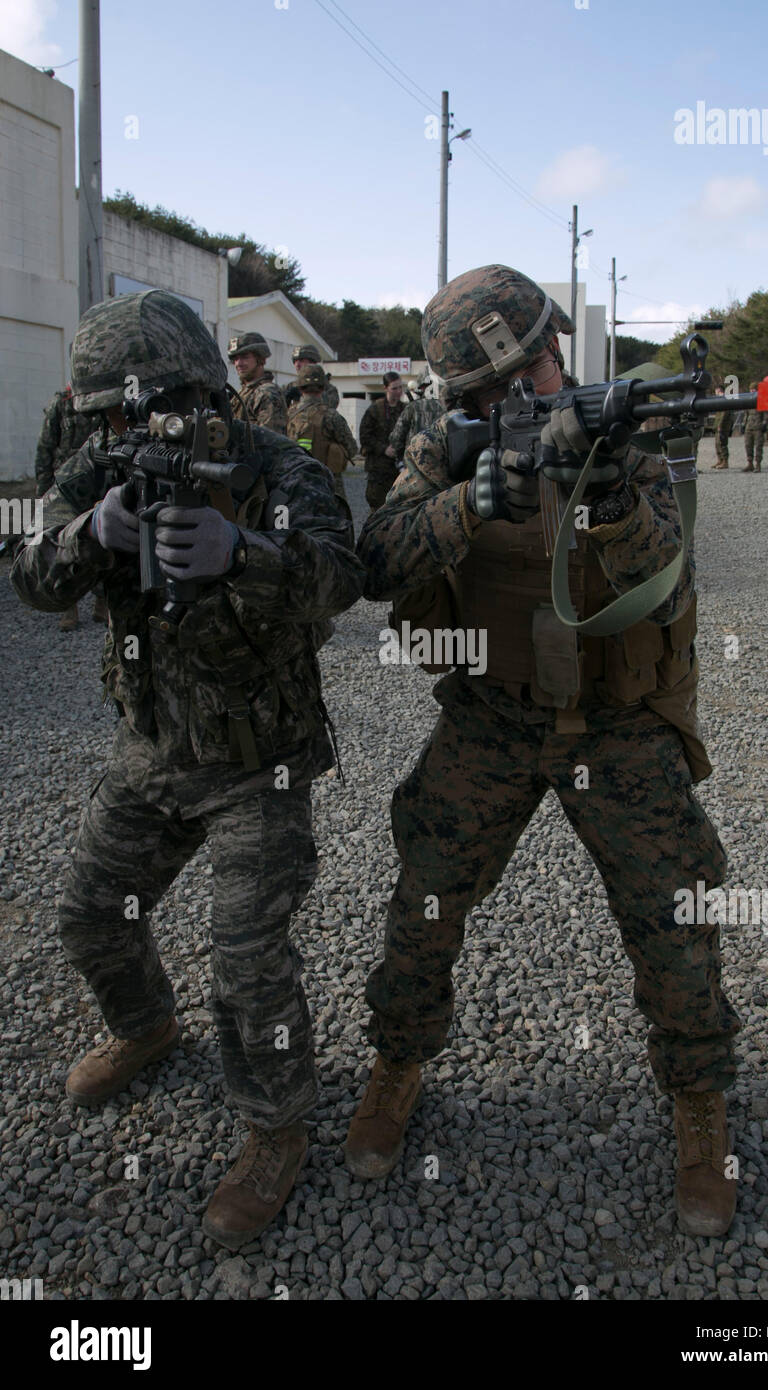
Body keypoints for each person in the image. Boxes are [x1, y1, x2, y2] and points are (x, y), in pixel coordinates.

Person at [346, 264, 739, 1238]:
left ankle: (697, 1095)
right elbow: (372, 561)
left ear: (560, 353)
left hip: (613, 718)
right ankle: (397, 1061)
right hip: (491, 713)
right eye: (493, 390)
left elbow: (668, 576)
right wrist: (467, 501)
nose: (522, 395)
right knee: (424, 895)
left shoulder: (624, 432)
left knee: (674, 906)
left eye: (534, 370)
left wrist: (606, 497)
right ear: (465, 399)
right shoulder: (443, 444)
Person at [11, 290, 364, 1250]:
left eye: (154, 408)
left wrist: (244, 552)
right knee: (89, 914)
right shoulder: (99, 468)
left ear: (206, 390)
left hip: (259, 764)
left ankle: (275, 1127)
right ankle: (147, 1027)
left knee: (248, 967)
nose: (136, 432)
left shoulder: (274, 465)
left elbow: (343, 573)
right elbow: (32, 578)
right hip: (154, 750)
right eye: (117, 415)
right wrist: (91, 536)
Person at [34, 386, 104, 630]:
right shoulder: (62, 404)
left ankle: (102, 604)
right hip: (66, 488)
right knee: (65, 545)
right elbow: (45, 447)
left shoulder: (102, 399)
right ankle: (68, 608)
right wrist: (43, 491)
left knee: (102, 540)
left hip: (96, 483)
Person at [285, 363, 358, 507]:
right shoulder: (331, 416)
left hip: (295, 481)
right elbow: (352, 449)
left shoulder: (289, 415)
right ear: (323, 388)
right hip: (328, 484)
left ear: (299, 388)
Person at [359, 372, 406, 512]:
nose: (399, 391)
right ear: (385, 388)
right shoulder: (375, 409)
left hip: (400, 469)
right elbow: (365, 436)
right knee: (378, 509)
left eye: (400, 387)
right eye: (394, 388)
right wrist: (384, 449)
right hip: (378, 469)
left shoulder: (405, 409)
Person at [228, 331, 288, 433]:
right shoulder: (243, 393)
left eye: (245, 357)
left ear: (261, 359)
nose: (238, 363)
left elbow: (268, 439)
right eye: (236, 359)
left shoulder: (267, 393)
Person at [388, 368, 444, 466]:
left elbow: (396, 438)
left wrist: (400, 456)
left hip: (416, 465)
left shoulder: (413, 407)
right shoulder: (451, 406)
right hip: (443, 466)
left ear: (422, 386)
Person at [287, 344, 340, 411]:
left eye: (301, 360)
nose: (297, 365)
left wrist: (306, 394)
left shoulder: (328, 388)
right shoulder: (290, 387)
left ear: (312, 362)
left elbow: (330, 407)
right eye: (295, 361)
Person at [742, 386, 765, 472]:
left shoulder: (761, 401)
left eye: (753, 390)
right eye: (751, 389)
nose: (752, 391)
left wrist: (765, 424)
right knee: (748, 445)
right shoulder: (749, 402)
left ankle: (758, 465)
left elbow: (766, 415)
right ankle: (750, 463)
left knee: (758, 447)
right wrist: (743, 425)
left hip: (758, 428)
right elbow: (746, 415)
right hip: (749, 427)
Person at [711, 391, 733, 469]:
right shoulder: (719, 402)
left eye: (717, 392)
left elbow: (724, 416)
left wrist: (720, 426)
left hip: (723, 427)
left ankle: (725, 461)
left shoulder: (725, 402)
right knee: (717, 444)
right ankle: (720, 460)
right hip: (718, 427)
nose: (716, 393)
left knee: (722, 444)